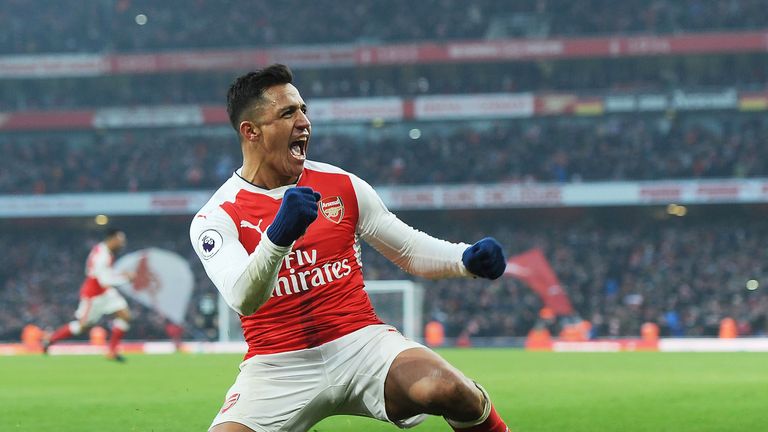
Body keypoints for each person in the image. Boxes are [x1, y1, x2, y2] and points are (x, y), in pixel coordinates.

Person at [190, 64, 510, 432]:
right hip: (277, 365)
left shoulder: (341, 184)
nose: (304, 122)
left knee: (451, 389)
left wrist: (465, 259)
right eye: (287, 113)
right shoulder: (215, 217)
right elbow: (243, 298)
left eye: (303, 110)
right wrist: (279, 237)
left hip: (360, 343)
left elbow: (406, 249)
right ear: (252, 132)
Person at [44, 228, 134, 362]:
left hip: (106, 292)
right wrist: (125, 278)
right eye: (120, 241)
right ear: (111, 239)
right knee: (83, 327)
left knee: (126, 316)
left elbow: (103, 277)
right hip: (94, 296)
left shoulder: (104, 251)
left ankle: (112, 352)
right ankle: (51, 339)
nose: (122, 244)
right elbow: (104, 280)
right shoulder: (101, 256)